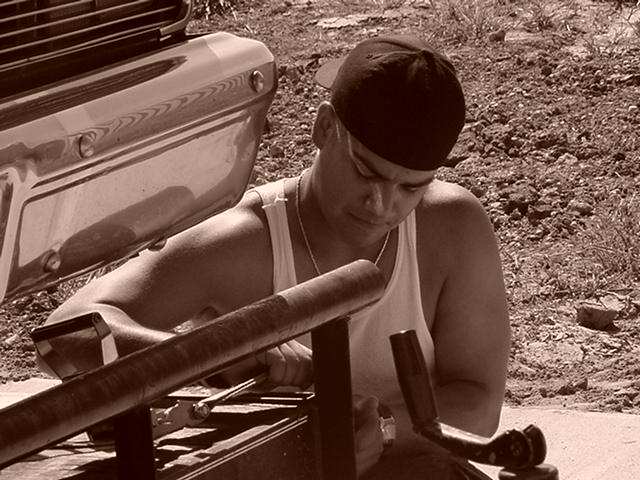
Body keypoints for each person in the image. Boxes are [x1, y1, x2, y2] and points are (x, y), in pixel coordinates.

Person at [41, 34, 510, 478]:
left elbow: (479, 401)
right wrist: (219, 353)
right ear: (324, 127)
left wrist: (384, 430)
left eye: (410, 188)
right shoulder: (244, 241)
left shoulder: (452, 230)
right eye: (365, 172)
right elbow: (67, 332)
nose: (381, 204)